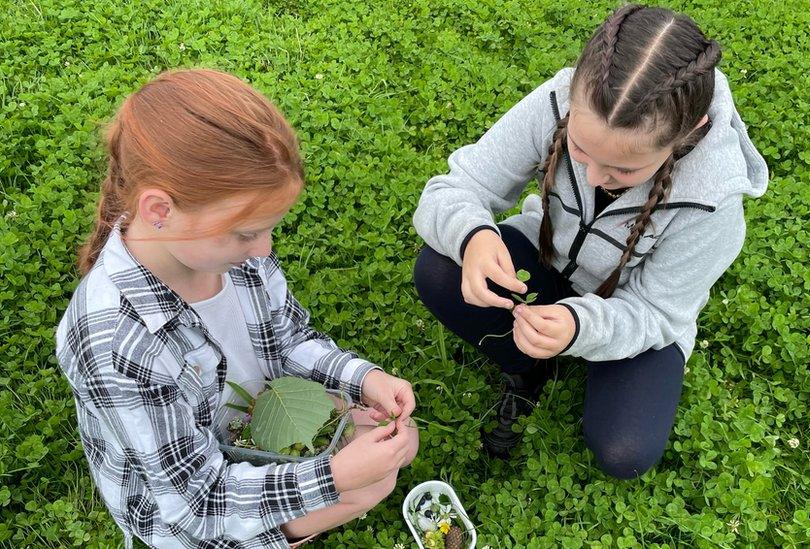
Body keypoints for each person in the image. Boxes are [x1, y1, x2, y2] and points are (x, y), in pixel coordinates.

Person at [55, 68, 418, 548]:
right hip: (187, 514)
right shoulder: (115, 341)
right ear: (159, 211)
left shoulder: (232, 254)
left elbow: (288, 337)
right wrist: (331, 478)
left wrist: (363, 378)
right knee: (368, 483)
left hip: (253, 423)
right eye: (248, 233)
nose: (265, 250)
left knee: (396, 442)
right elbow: (195, 504)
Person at [413, 4, 768, 479]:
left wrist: (580, 329)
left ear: (689, 134)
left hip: (633, 310)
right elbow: (457, 188)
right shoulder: (559, 99)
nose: (594, 175)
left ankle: (563, 350)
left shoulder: (714, 202)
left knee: (625, 451)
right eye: (579, 148)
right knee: (439, 269)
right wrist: (474, 237)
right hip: (545, 261)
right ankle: (528, 365)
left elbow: (658, 313)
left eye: (625, 170)